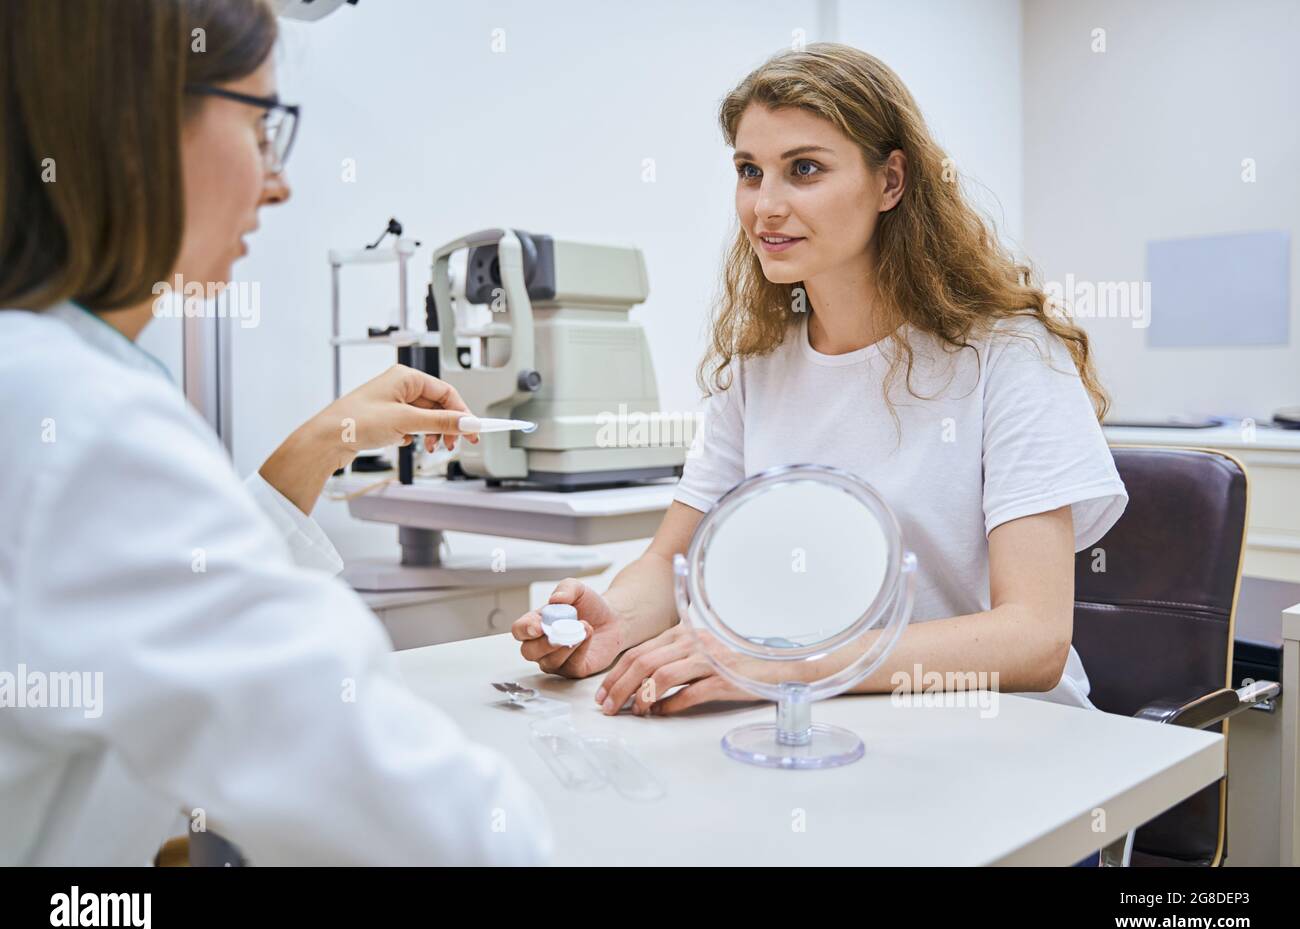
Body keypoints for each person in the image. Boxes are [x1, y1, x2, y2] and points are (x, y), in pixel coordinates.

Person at [0, 0, 548, 865]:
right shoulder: (79, 416)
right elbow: (418, 821)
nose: (277, 181)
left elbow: (153, 597)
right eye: (262, 129)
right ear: (135, 123)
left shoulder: (40, 372)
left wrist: (323, 441)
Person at [511, 43, 1128, 718]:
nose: (764, 206)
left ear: (891, 181)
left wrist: (786, 666)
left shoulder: (1009, 354)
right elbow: (669, 565)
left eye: (803, 169)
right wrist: (614, 623)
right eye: (750, 172)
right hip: (821, 720)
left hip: (1004, 736)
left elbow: (1034, 640)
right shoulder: (759, 364)